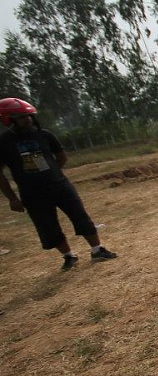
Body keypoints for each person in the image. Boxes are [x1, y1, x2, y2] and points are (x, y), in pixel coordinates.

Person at [0, 98, 117, 270]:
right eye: (22, 117)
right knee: (47, 227)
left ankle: (97, 250)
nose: (28, 119)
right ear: (8, 119)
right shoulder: (3, 143)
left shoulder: (45, 135)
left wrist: (53, 173)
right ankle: (68, 256)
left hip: (60, 186)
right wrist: (12, 198)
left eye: (29, 115)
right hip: (32, 193)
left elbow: (61, 156)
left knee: (80, 216)